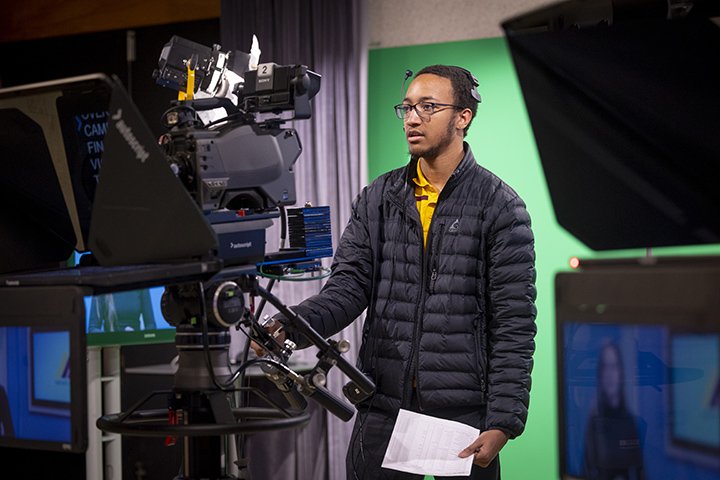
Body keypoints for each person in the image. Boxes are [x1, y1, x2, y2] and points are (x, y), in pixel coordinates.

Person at [266, 65, 537, 480]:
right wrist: (292, 324)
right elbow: (347, 289)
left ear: (463, 117)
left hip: (463, 414)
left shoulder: (501, 207)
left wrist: (503, 421)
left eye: (429, 107)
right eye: (408, 107)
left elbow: (514, 324)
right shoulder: (379, 197)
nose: (413, 118)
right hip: (383, 406)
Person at [583, 342, 644, 480]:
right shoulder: (594, 422)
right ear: (600, 374)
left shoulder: (630, 422)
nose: (610, 374)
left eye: (614, 367)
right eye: (605, 367)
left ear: (621, 372)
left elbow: (640, 472)